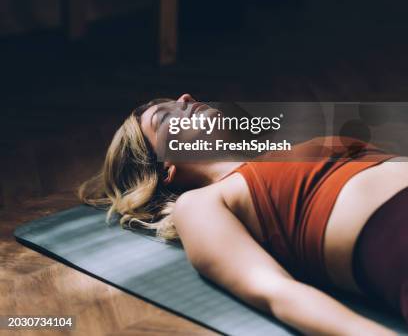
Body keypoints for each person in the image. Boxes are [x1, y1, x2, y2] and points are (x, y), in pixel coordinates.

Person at [78, 94, 408, 336]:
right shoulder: (200, 204)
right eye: (164, 118)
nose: (186, 98)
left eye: (179, 100)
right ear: (166, 170)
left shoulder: (282, 155)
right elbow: (277, 292)